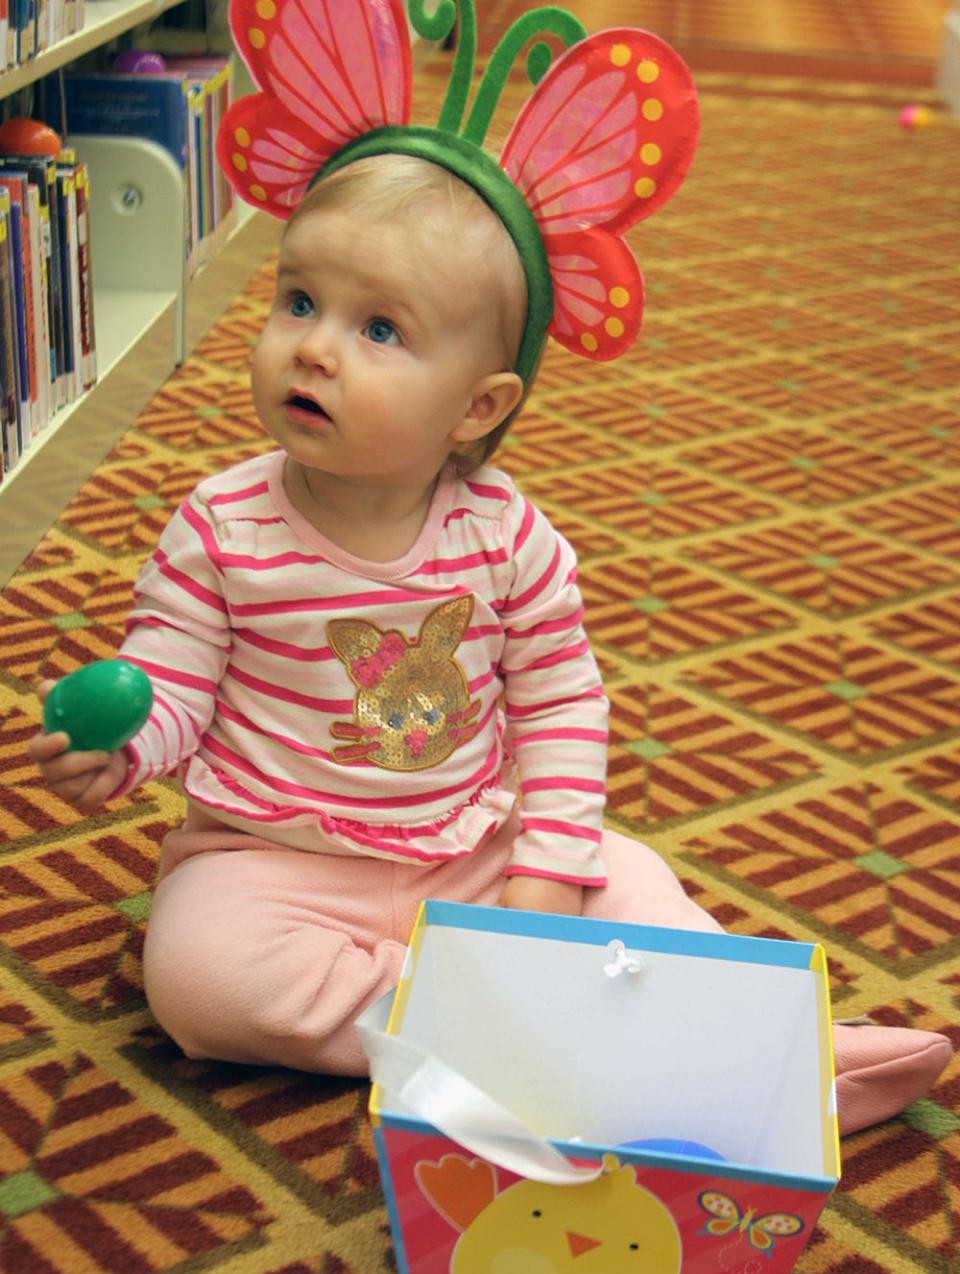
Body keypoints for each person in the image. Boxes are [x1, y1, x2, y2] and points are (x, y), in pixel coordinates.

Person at [28, 0, 952, 1135]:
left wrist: (546, 886)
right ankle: (523, 1033)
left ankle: (769, 1045)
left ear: (479, 406)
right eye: (299, 300)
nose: (313, 344)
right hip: (270, 855)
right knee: (197, 977)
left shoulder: (509, 542)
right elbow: (171, 681)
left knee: (638, 883)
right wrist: (123, 752)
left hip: (471, 846)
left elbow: (564, 705)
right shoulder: (220, 526)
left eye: (380, 330)